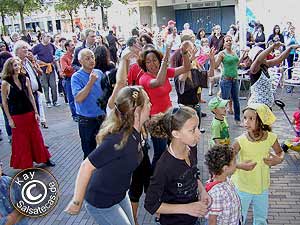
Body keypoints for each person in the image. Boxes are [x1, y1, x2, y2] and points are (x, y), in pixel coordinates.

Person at [65, 86, 151, 225]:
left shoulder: (138, 131)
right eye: (147, 102)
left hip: (119, 195)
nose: (150, 105)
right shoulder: (118, 139)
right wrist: (77, 201)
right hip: (101, 201)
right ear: (137, 111)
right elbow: (86, 166)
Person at [145, 105, 211, 225]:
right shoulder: (164, 166)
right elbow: (150, 205)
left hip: (194, 218)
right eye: (192, 130)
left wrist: (202, 191)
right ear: (176, 134)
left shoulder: (191, 147)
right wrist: (187, 208)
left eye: (197, 128)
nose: (198, 134)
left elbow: (193, 174)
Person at [138, 41, 191, 170]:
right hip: (156, 121)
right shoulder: (144, 78)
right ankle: (154, 180)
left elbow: (186, 68)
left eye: (154, 60)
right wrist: (166, 56)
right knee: (160, 152)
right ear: (144, 65)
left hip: (169, 117)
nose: (152, 64)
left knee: (172, 148)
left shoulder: (166, 72)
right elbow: (159, 82)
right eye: (148, 62)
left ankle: (168, 174)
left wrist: (184, 52)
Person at [231, 103, 285, 225]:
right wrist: (239, 165)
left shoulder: (271, 138)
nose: (246, 122)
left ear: (261, 121)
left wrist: (279, 159)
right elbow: (228, 159)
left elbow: (280, 152)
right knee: (239, 216)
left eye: (251, 118)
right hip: (243, 186)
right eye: (245, 118)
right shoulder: (240, 141)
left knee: (261, 217)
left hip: (262, 186)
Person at [1, 57, 54, 169]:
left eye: (19, 65)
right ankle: (26, 164)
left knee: (37, 137)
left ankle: (44, 158)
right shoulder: (6, 83)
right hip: (17, 116)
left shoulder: (25, 79)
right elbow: (4, 103)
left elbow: (30, 96)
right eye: (15, 65)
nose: (18, 67)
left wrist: (35, 112)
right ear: (10, 67)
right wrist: (9, 119)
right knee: (21, 141)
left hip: (29, 113)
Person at [71, 49, 106, 159]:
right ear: (80, 61)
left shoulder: (99, 73)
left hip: (102, 118)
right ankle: (88, 175)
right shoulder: (76, 77)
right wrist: (90, 82)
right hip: (87, 120)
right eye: (87, 58)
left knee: (105, 149)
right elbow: (78, 98)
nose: (91, 60)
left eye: (92, 57)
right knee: (89, 152)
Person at [247, 42, 300, 108]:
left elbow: (280, 58)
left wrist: (290, 48)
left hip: (266, 106)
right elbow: (258, 60)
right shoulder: (254, 69)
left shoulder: (265, 65)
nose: (265, 55)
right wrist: (272, 47)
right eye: (262, 54)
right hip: (257, 106)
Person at [204, 145, 242, 225]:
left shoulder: (226, 180)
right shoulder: (217, 192)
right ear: (225, 168)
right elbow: (212, 220)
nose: (236, 164)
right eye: (234, 162)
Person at [213, 35, 243, 126]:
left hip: (234, 79)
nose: (229, 42)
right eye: (227, 41)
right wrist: (211, 59)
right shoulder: (222, 53)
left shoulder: (234, 53)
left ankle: (237, 120)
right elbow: (215, 66)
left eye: (230, 40)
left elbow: (236, 64)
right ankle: (221, 120)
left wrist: (243, 58)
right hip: (226, 80)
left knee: (236, 100)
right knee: (224, 101)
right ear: (224, 44)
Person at [32, 32, 59, 108]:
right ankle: (48, 101)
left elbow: (55, 54)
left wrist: (54, 60)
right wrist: (36, 62)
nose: (48, 38)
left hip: (50, 68)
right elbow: (31, 54)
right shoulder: (37, 47)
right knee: (45, 86)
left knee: (53, 85)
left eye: (49, 37)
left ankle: (55, 100)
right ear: (42, 37)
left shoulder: (52, 46)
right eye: (47, 36)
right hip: (42, 68)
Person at [60, 40, 77, 121]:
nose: (73, 46)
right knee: (71, 98)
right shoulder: (64, 57)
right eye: (72, 45)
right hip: (69, 79)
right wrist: (74, 67)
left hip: (77, 77)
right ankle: (74, 115)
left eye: (74, 45)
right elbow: (65, 69)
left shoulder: (76, 55)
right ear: (67, 47)